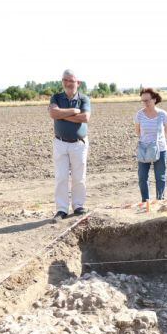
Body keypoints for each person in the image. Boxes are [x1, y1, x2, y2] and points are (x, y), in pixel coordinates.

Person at [49, 69, 91, 222]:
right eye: (65, 80)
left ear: (78, 83)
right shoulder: (56, 97)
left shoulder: (84, 99)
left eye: (71, 80)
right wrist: (73, 111)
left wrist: (62, 114)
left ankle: (78, 206)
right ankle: (61, 209)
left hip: (78, 144)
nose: (67, 83)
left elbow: (85, 117)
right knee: (61, 177)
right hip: (60, 143)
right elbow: (53, 114)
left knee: (79, 177)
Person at [134, 88, 167, 204]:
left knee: (160, 177)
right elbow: (138, 131)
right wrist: (147, 142)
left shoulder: (162, 114)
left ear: (154, 99)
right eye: (143, 101)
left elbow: (166, 131)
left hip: (160, 149)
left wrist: (157, 143)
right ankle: (145, 201)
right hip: (144, 149)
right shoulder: (139, 114)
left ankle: (160, 201)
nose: (145, 103)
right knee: (142, 177)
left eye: (147, 100)